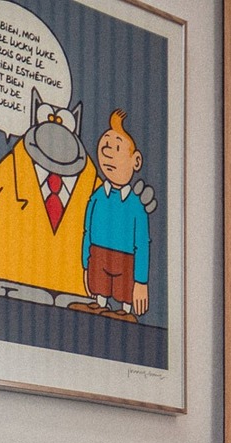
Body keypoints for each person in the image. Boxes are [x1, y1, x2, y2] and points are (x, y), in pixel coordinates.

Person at [78, 110, 150, 318]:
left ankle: (124, 312)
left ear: (135, 161)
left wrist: (141, 281)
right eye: (105, 147)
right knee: (99, 293)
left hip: (126, 261)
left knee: (123, 299)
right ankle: (100, 306)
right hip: (98, 258)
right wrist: (85, 264)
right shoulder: (97, 197)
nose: (109, 154)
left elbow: (142, 244)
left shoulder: (136, 207)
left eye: (117, 148)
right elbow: (87, 232)